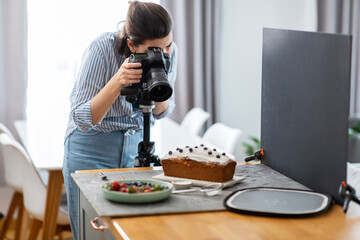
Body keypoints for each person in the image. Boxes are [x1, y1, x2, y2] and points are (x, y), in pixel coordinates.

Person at [62, 2, 177, 239]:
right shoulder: (102, 49)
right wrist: (117, 81)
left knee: (132, 230)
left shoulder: (169, 51)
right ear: (131, 44)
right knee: (92, 232)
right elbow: (82, 118)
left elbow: (161, 112)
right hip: (91, 149)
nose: (163, 53)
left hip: (136, 147)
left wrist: (160, 80)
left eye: (167, 46)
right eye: (154, 49)